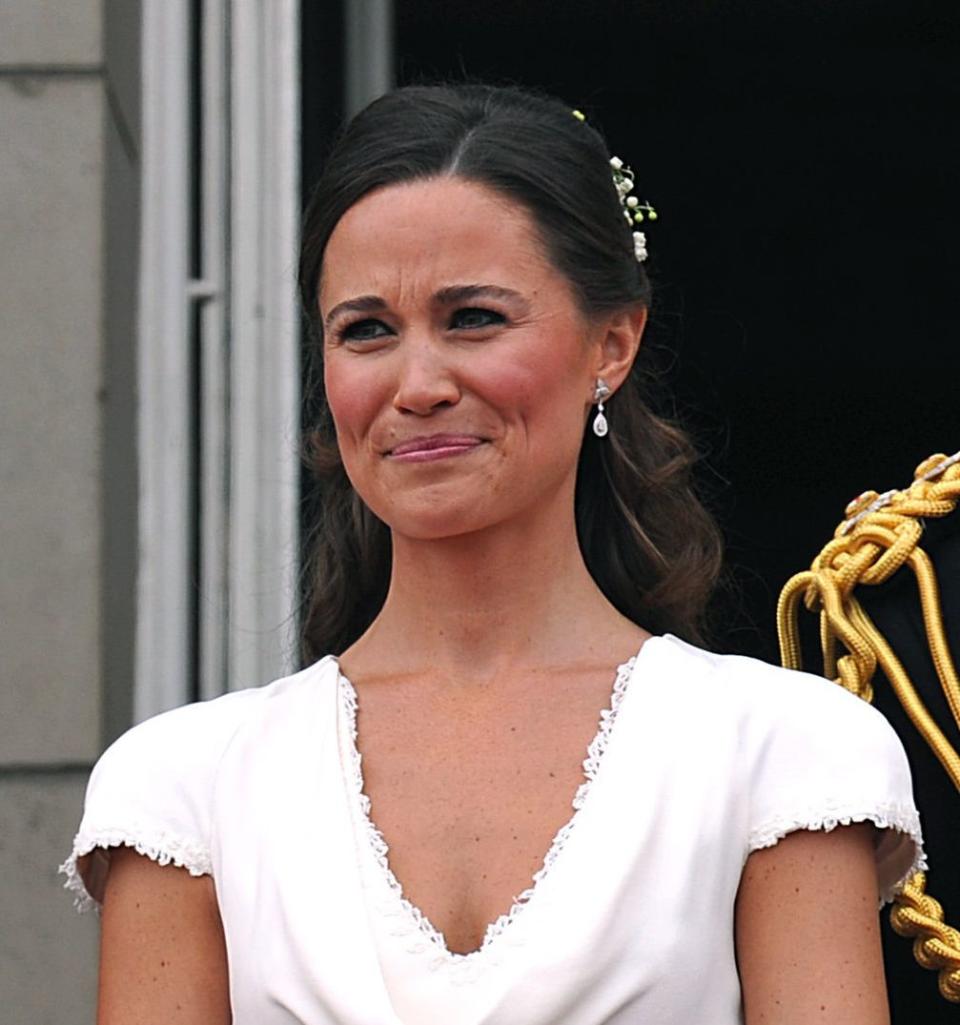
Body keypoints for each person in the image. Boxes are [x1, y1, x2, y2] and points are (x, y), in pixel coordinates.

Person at [63, 82, 924, 1025]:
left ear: (613, 341)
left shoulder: (783, 753)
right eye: (367, 330)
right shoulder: (185, 786)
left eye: (472, 317)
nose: (419, 383)